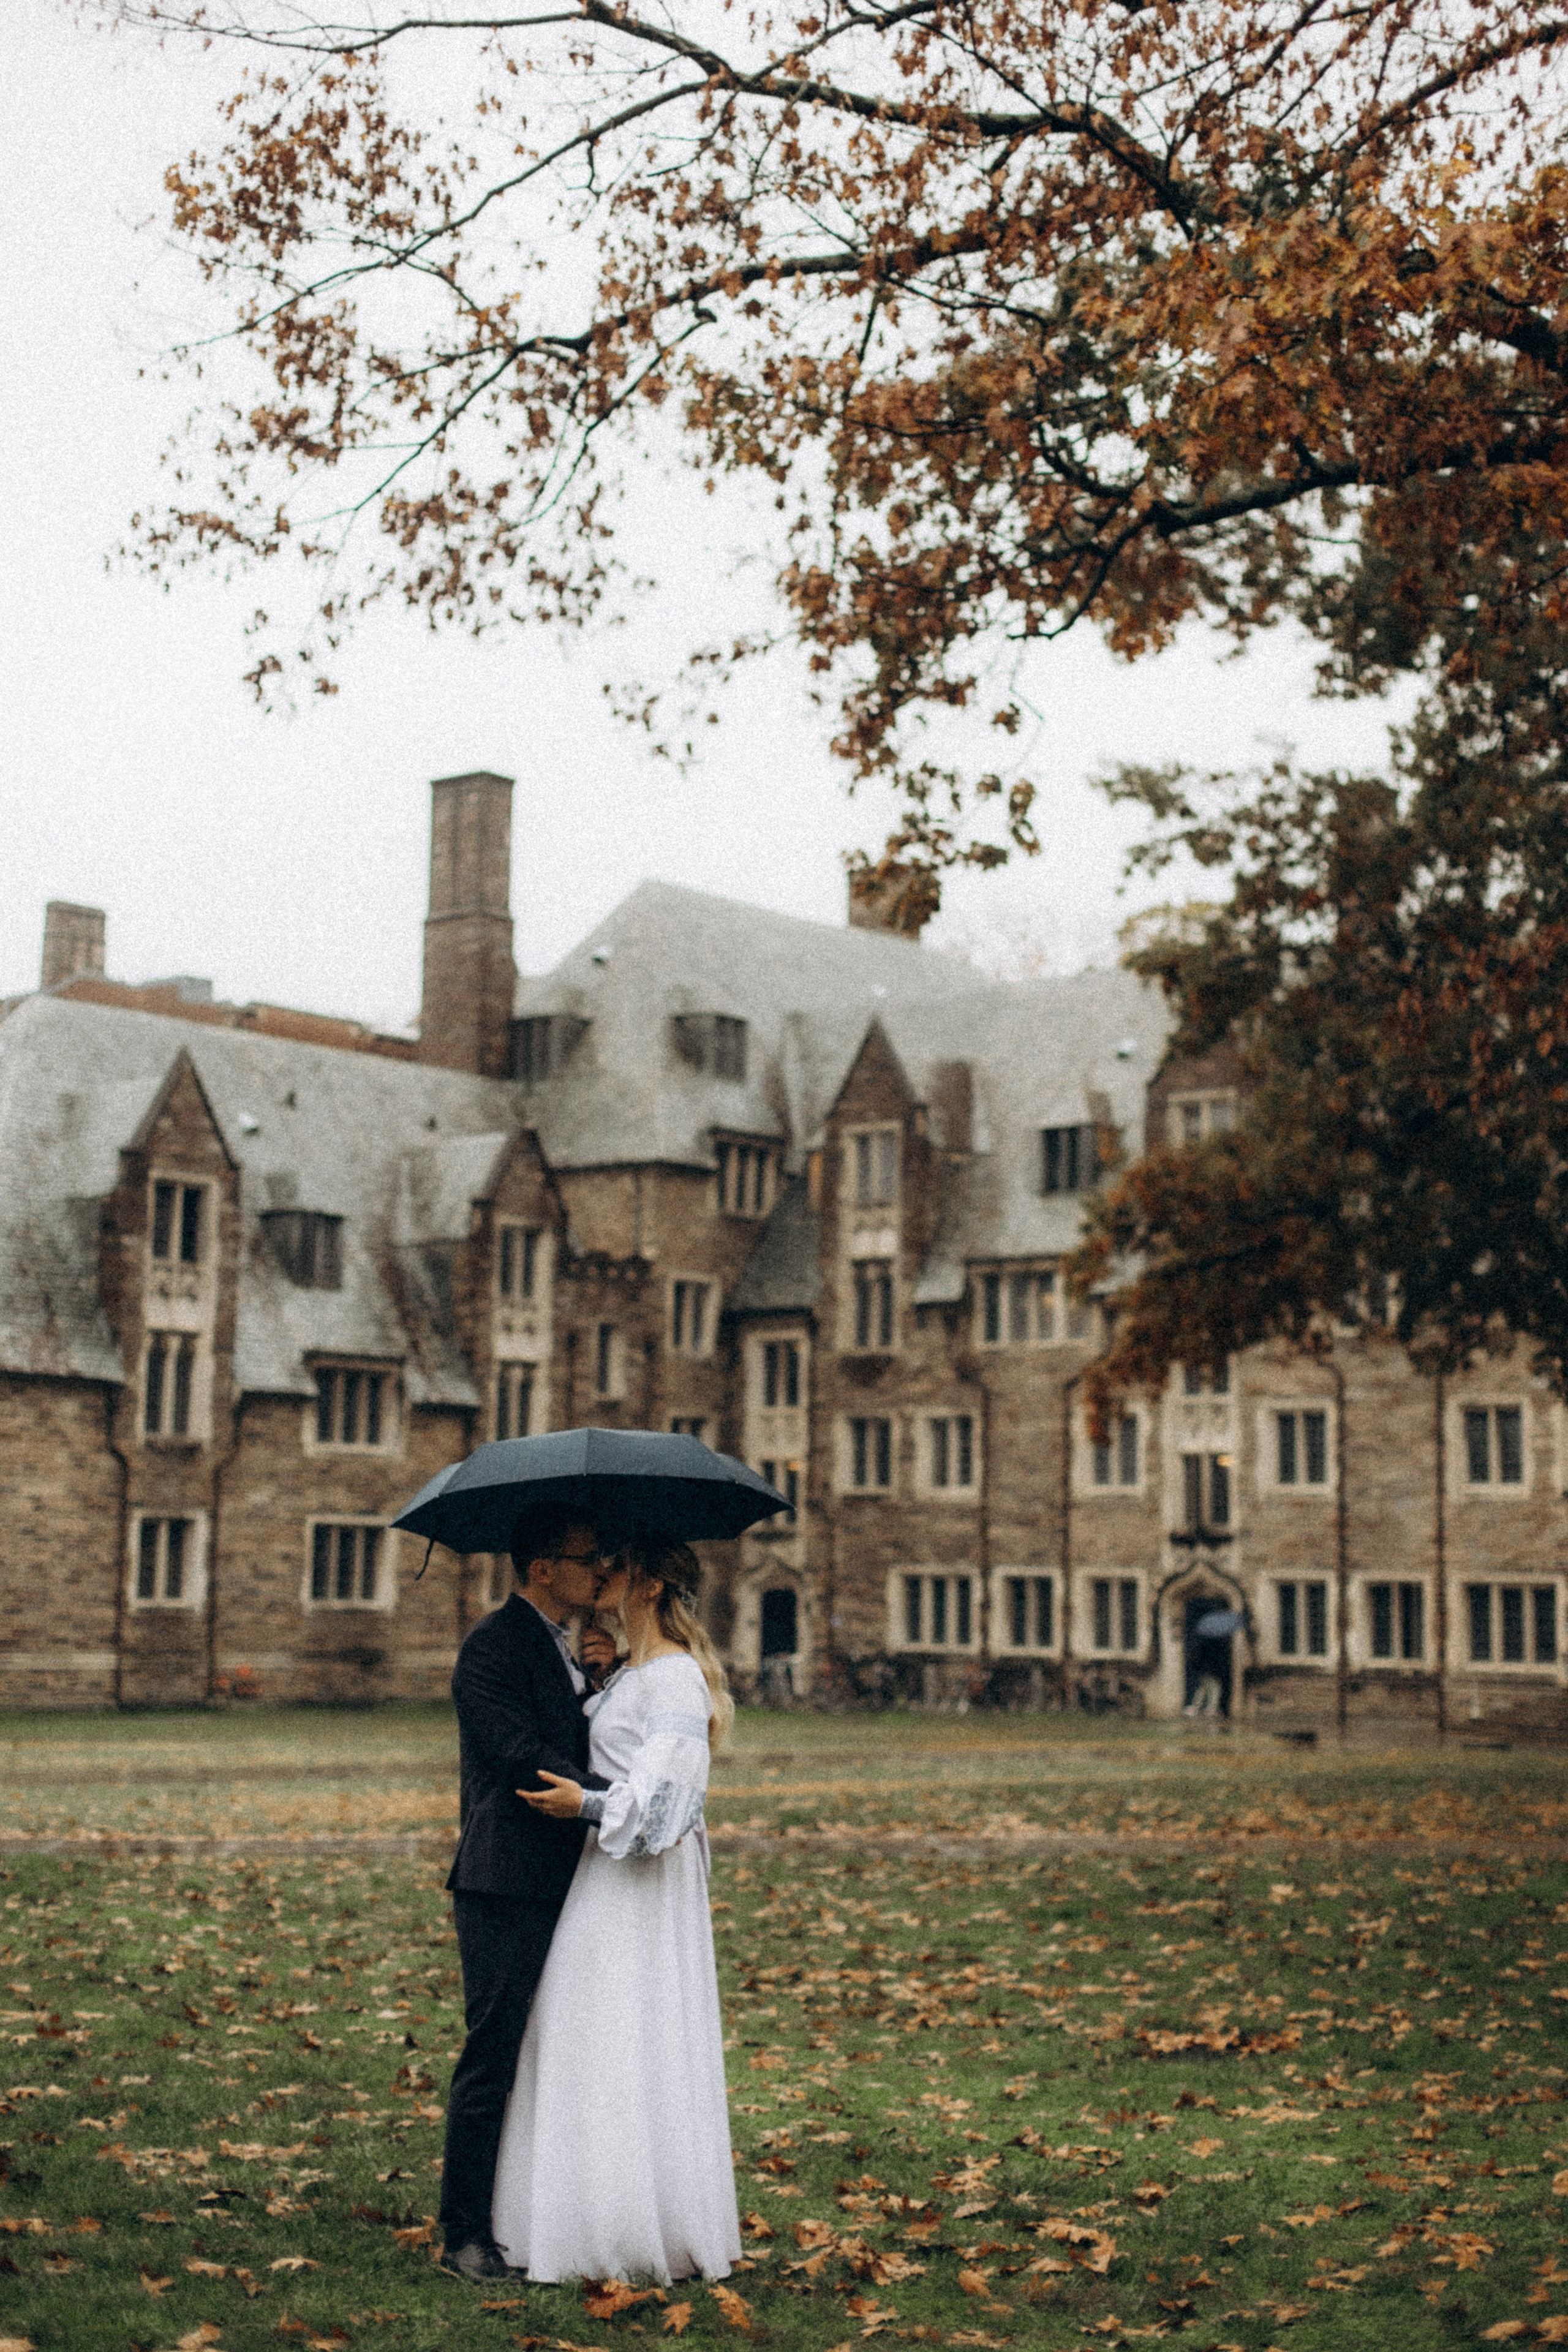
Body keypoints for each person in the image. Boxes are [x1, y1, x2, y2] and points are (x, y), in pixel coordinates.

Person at [492, 1537, 742, 2285]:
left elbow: (666, 1805)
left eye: (618, 1566)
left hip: (636, 1881)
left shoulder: (674, 1680)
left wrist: (584, 1803)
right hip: (603, 1874)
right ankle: (580, 2215)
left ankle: (629, 2228)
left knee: (621, 2031)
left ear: (652, 1583)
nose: (601, 1574)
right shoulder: (634, 1672)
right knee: (587, 2031)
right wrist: (600, 1673)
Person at [438, 1506, 614, 2284]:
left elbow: (568, 1729)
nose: (602, 1572)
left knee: (556, 2053)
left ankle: (535, 2211)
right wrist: (622, 1797)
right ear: (543, 1569)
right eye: (588, 1560)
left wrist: (602, 1683)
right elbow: (519, 1756)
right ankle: (465, 2235)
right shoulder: (492, 1644)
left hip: (567, 1876)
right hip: (506, 1878)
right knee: (494, 2055)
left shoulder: (566, 1646)